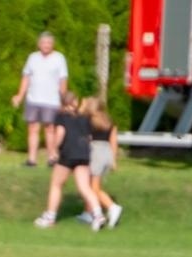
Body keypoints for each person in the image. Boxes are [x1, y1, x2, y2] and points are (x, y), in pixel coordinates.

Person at [34, 92, 103, 231]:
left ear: (62, 103)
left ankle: (50, 217)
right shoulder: (84, 117)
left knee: (56, 184)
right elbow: (89, 137)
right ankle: (98, 214)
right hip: (84, 153)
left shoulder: (61, 117)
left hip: (68, 153)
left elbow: (60, 133)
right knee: (84, 187)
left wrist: (53, 150)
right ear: (75, 102)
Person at [11, 31, 67, 167]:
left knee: (49, 128)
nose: (46, 45)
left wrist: (63, 100)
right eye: (43, 43)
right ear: (39, 44)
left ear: (53, 44)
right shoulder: (32, 58)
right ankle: (32, 159)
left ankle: (52, 157)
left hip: (52, 100)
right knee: (33, 128)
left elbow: (63, 80)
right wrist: (20, 95)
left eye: (49, 43)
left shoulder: (59, 58)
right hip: (33, 99)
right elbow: (26, 77)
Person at [80, 96, 122, 228]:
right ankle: (88, 212)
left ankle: (112, 207)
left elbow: (77, 120)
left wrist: (82, 106)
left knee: (94, 188)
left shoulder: (89, 120)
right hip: (106, 152)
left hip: (95, 151)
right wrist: (113, 160)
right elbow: (113, 141)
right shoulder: (110, 121)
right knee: (90, 184)